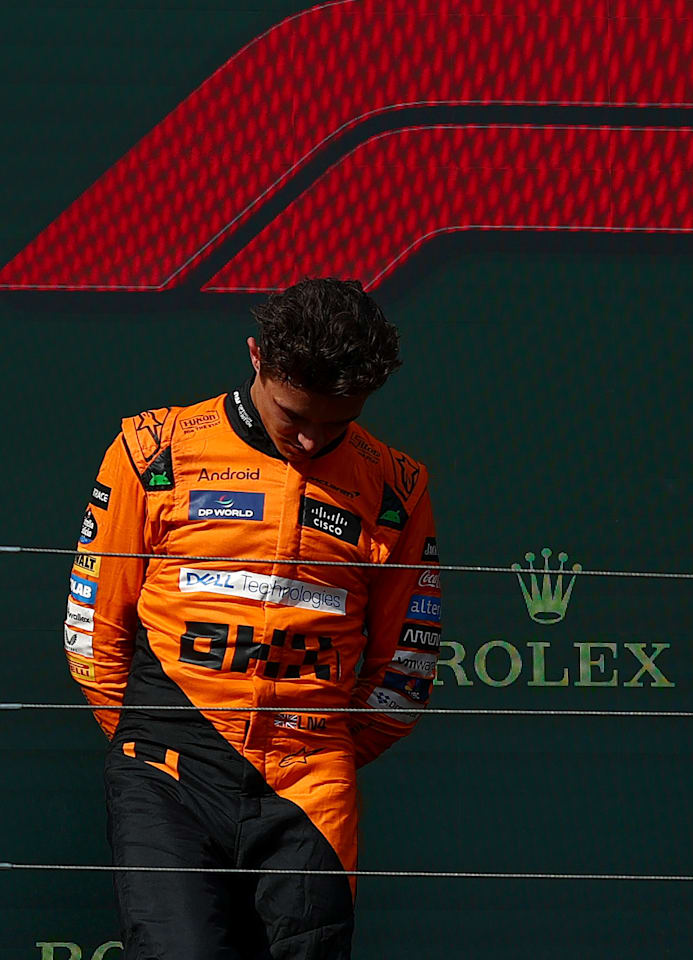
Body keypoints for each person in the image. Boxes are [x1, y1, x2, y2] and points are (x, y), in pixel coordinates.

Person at [63, 278, 442, 959]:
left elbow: (406, 666)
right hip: (168, 771)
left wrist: (317, 748)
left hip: (310, 782)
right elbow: (92, 628)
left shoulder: (396, 487)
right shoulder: (154, 449)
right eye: (294, 413)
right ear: (256, 358)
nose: (310, 437)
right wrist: (148, 733)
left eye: (337, 422)